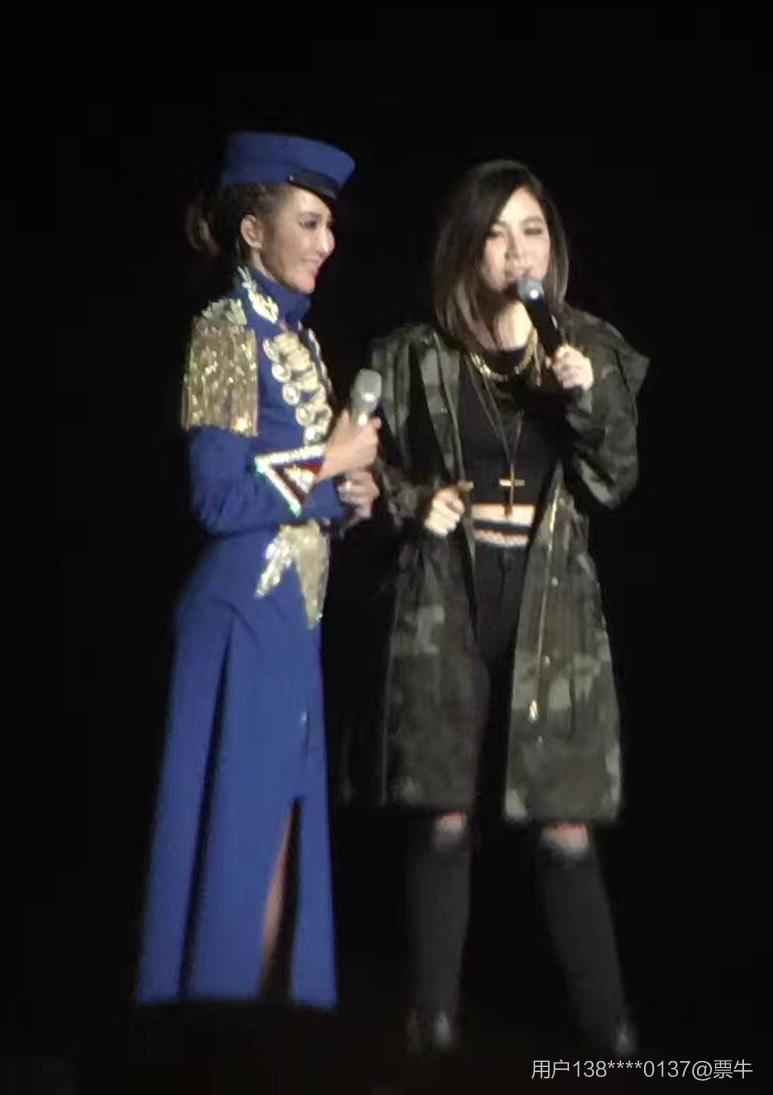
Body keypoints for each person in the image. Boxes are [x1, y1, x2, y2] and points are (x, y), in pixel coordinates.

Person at [367, 159, 648, 1052]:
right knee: (443, 809)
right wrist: (415, 499)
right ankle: (432, 1018)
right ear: (467, 248)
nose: (515, 250)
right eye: (495, 233)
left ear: (551, 247)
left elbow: (614, 480)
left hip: (551, 600)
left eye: (531, 231)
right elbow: (359, 468)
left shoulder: (587, 346)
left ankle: (610, 1029)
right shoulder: (414, 354)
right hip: (447, 593)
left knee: (564, 821)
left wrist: (585, 397)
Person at [136, 132, 379, 1010]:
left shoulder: (299, 341)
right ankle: (214, 1035)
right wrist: (328, 464)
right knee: (240, 841)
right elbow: (216, 497)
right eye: (308, 223)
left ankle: (256, 1038)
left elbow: (290, 492)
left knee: (280, 830)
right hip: (240, 612)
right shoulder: (225, 332)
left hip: (288, 618)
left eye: (328, 226)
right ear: (252, 231)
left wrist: (346, 497)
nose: (325, 242)